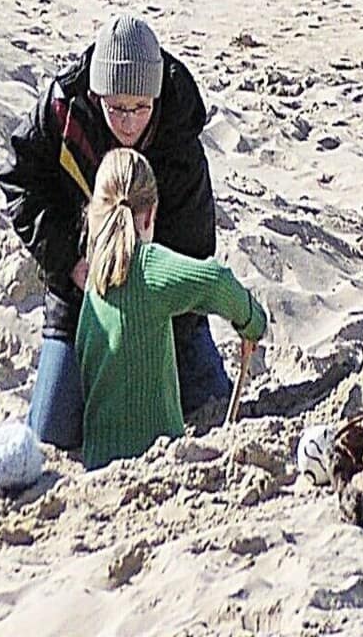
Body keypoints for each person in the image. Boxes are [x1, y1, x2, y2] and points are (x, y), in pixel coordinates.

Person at [0, 13, 232, 450]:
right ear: (95, 94)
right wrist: (70, 262)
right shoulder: (61, 111)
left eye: (140, 107)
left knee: (211, 407)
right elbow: (22, 184)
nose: (128, 122)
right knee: (51, 432)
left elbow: (196, 249)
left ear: (157, 98)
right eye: (116, 108)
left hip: (163, 304)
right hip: (80, 293)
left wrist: (148, 291)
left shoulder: (179, 135)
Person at [75, 146, 266, 470]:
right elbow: (216, 279)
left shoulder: (95, 277)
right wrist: (252, 322)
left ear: (94, 212)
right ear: (150, 214)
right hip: (155, 455)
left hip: (96, 460)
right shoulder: (148, 265)